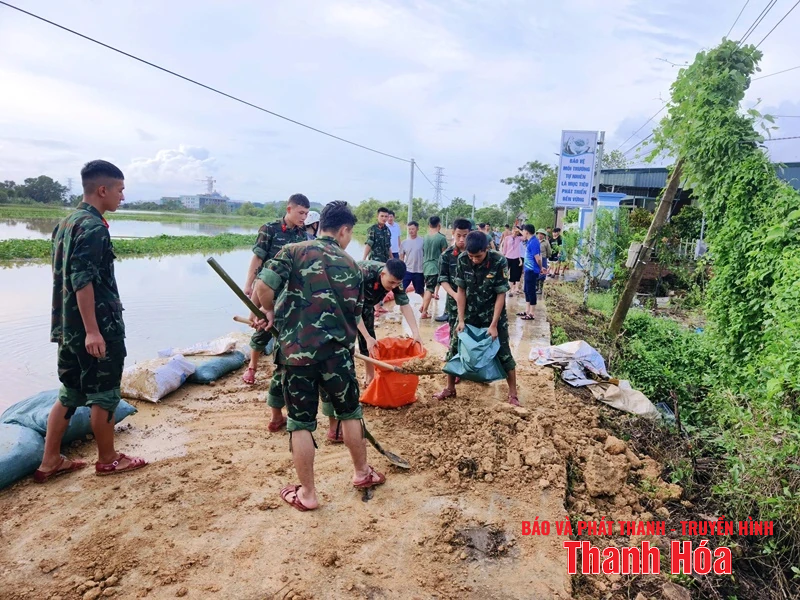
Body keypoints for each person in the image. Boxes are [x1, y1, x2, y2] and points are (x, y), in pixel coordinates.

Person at [253, 201, 385, 512]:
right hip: (337, 355)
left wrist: (269, 311)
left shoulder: (295, 250)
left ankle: (308, 494)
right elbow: (356, 314)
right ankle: (362, 473)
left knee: (301, 422)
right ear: (343, 230)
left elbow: (262, 286)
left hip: (297, 354)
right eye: (349, 233)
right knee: (350, 413)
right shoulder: (354, 266)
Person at [34, 160, 147, 483]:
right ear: (103, 190)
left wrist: (80, 330)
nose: (122, 197)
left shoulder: (67, 223)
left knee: (69, 392)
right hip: (96, 329)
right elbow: (82, 280)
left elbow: (65, 276)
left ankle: (50, 460)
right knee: (105, 393)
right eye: (120, 190)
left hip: (67, 327)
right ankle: (108, 459)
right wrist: (94, 331)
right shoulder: (94, 227)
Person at [434, 231, 519, 405]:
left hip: (492, 314)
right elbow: (461, 291)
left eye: (478, 256)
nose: (474, 259)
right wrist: (461, 320)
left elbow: (501, 295)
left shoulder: (499, 261)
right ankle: (450, 388)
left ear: (486, 248)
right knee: (454, 349)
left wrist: (494, 324)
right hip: (469, 313)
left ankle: (513, 394)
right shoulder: (462, 259)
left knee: (503, 353)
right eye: (471, 256)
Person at [242, 194, 309, 385]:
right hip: (266, 288)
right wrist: (249, 284)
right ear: (289, 209)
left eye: (306, 213)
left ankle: (282, 370)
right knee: (262, 327)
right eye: (300, 212)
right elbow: (258, 258)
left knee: (288, 330)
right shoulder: (269, 229)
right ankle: (252, 368)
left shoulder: (301, 234)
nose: (303, 217)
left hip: (288, 290)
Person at [357, 259, 424, 386]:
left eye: (397, 283)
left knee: (370, 340)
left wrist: (416, 333)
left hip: (367, 305)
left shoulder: (395, 280)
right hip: (345, 302)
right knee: (349, 340)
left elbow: (404, 305)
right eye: (391, 282)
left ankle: (369, 377)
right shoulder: (363, 274)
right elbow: (351, 310)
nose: (394, 286)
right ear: (382, 274)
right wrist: (366, 336)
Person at [434, 216, 471, 347]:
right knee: (454, 330)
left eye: (465, 236)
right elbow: (443, 279)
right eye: (458, 235)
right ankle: (452, 355)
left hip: (473, 300)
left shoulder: (475, 254)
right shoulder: (446, 256)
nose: (462, 239)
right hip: (454, 301)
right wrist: (454, 295)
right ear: (453, 233)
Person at [419, 216, 449, 319]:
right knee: (430, 289)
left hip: (426, 266)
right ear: (439, 225)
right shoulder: (441, 238)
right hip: (435, 267)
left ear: (429, 225)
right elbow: (444, 254)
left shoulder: (425, 237)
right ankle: (424, 311)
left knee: (428, 287)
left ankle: (424, 306)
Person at [519, 224, 542, 320]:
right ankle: (527, 310)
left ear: (527, 232)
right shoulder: (530, 241)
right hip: (528, 270)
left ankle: (532, 313)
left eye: (523, 231)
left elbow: (538, 258)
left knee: (531, 291)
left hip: (532, 270)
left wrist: (541, 268)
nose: (522, 233)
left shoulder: (534, 242)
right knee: (526, 290)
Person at [400, 221, 424, 296]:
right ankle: (402, 306)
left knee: (421, 291)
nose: (411, 231)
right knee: (401, 290)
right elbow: (401, 257)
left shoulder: (423, 241)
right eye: (409, 229)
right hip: (407, 271)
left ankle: (425, 306)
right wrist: (401, 269)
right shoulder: (404, 243)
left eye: (413, 229)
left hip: (419, 271)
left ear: (417, 229)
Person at [502, 225, 524, 297]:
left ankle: (511, 290)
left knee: (514, 274)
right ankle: (503, 287)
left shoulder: (519, 238)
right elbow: (504, 248)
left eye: (516, 230)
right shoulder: (507, 238)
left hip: (516, 258)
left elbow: (526, 237)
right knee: (505, 273)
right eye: (513, 229)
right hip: (508, 257)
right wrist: (503, 256)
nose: (514, 231)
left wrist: (519, 230)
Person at [536, 229, 551, 294]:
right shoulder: (535, 241)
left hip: (543, 258)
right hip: (536, 258)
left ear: (544, 235)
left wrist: (546, 257)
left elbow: (549, 251)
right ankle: (536, 287)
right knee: (536, 272)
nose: (540, 235)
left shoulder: (546, 242)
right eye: (539, 234)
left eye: (541, 234)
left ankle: (540, 289)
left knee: (542, 273)